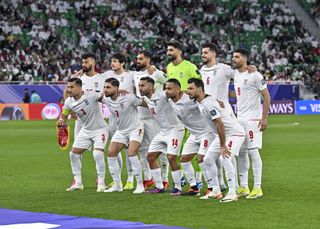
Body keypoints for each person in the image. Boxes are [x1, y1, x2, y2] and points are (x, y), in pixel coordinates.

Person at [187, 78, 246, 202]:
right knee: (207, 159)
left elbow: (219, 124)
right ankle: (216, 190)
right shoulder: (201, 101)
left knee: (225, 157)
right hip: (223, 135)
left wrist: (223, 145)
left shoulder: (208, 104)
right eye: (188, 89)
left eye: (191, 88)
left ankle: (232, 192)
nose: (188, 91)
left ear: (200, 89)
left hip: (235, 133)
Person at [165, 78, 218, 197]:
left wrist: (217, 101)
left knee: (201, 159)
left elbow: (204, 98)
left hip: (206, 132)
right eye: (166, 88)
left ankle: (211, 187)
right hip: (194, 135)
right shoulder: (169, 100)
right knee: (184, 159)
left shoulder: (189, 98)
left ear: (177, 90)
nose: (166, 91)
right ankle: (194, 187)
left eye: (169, 88)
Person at [57, 78, 109, 192]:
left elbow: (106, 98)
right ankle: (78, 183)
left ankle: (101, 183)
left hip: (100, 129)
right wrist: (61, 120)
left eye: (71, 87)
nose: (69, 90)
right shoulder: (69, 101)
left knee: (97, 154)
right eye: (68, 87)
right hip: (86, 130)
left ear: (80, 88)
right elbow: (65, 115)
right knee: (73, 154)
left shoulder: (91, 95)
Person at [232, 48, 271, 199]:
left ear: (245, 58)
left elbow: (266, 97)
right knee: (241, 152)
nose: (233, 59)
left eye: (236, 57)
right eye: (233, 57)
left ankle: (257, 187)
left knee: (253, 152)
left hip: (253, 119)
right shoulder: (235, 74)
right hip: (239, 119)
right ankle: (244, 187)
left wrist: (264, 117)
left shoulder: (255, 75)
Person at [138, 77, 185, 196]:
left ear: (151, 87)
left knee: (171, 157)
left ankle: (178, 187)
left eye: (143, 85)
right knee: (150, 157)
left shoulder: (162, 95)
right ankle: (159, 186)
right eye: (139, 85)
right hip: (163, 132)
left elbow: (176, 92)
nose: (140, 88)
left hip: (175, 129)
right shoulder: (146, 99)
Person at [166, 41, 202, 186]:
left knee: (195, 145)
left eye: (171, 50)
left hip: (191, 110)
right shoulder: (169, 67)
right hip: (176, 110)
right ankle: (181, 177)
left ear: (179, 51)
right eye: (167, 50)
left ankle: (198, 179)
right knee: (179, 146)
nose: (168, 53)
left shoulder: (189, 66)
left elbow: (200, 84)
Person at [133, 50, 170, 189]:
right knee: (142, 149)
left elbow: (170, 82)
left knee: (160, 150)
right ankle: (148, 178)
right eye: (137, 58)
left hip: (154, 118)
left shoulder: (156, 73)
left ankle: (165, 179)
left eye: (141, 59)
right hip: (140, 116)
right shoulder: (135, 74)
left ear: (148, 59)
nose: (138, 61)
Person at [101, 77, 145, 194]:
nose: (105, 90)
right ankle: (117, 184)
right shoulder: (105, 98)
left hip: (135, 128)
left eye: (108, 87)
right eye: (104, 87)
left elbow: (144, 103)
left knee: (132, 153)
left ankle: (140, 185)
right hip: (121, 131)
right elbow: (92, 96)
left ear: (116, 88)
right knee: (110, 153)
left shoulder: (129, 97)